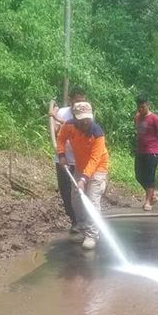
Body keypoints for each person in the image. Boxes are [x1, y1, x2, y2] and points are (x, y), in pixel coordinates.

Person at [52, 101, 110, 250]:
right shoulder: (69, 126)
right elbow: (60, 138)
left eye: (87, 119)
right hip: (80, 166)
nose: (85, 123)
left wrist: (84, 179)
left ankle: (91, 234)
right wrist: (62, 155)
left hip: (98, 168)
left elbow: (95, 159)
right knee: (76, 198)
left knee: (91, 199)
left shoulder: (97, 133)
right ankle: (83, 227)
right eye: (82, 120)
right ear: (75, 118)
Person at [50, 87, 87, 234]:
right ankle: (74, 221)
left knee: (78, 192)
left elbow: (78, 129)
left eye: (83, 101)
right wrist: (54, 120)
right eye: (77, 101)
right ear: (71, 100)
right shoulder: (61, 111)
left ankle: (84, 219)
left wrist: (57, 118)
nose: (80, 104)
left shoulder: (85, 114)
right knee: (65, 192)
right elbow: (56, 132)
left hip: (79, 160)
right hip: (62, 158)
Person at [134, 94, 158, 211]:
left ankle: (147, 202)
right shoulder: (137, 117)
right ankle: (152, 195)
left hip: (152, 151)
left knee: (149, 177)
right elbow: (137, 131)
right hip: (140, 150)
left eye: (143, 107)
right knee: (138, 175)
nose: (141, 109)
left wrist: (156, 144)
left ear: (147, 105)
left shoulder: (154, 118)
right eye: (139, 107)